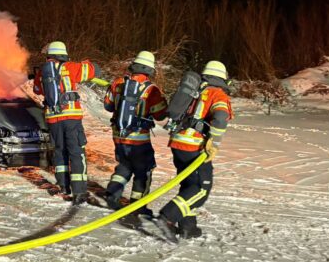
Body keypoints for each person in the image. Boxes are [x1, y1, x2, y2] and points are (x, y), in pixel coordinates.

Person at [153, 60, 234, 242]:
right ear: (223, 78)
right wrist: (214, 143)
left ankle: (188, 227)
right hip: (194, 147)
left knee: (189, 186)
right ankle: (167, 217)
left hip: (179, 143)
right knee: (201, 189)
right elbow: (221, 118)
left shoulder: (197, 91)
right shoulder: (217, 94)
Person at [103, 51, 167, 220]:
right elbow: (160, 115)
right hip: (139, 140)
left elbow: (108, 106)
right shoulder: (151, 90)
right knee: (143, 171)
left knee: (124, 165)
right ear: (150, 70)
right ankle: (138, 206)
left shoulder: (118, 83)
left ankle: (112, 194)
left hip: (119, 136)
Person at [33, 41, 98, 205]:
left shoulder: (42, 72)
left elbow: (37, 90)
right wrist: (86, 62)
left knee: (60, 151)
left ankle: (63, 186)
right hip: (71, 118)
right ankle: (79, 191)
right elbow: (94, 70)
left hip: (53, 119)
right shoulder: (71, 67)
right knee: (76, 152)